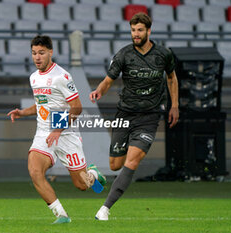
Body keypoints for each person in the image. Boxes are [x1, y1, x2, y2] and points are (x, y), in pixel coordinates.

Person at [7, 35, 106, 224]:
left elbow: (76, 108)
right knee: (35, 170)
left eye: (41, 53)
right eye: (34, 53)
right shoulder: (34, 78)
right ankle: (62, 215)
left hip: (66, 134)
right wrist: (22, 112)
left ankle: (93, 174)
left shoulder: (62, 76)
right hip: (44, 133)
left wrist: (58, 129)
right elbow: (41, 104)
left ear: (51, 52)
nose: (37, 57)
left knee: (82, 185)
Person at [90, 12, 179, 220]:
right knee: (115, 165)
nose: (135, 34)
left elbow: (172, 78)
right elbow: (108, 80)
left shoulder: (163, 55)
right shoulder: (124, 54)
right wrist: (99, 91)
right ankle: (98, 174)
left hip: (149, 117)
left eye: (139, 30)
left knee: (133, 160)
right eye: (133, 30)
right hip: (125, 114)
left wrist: (175, 105)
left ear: (149, 31)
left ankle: (105, 209)